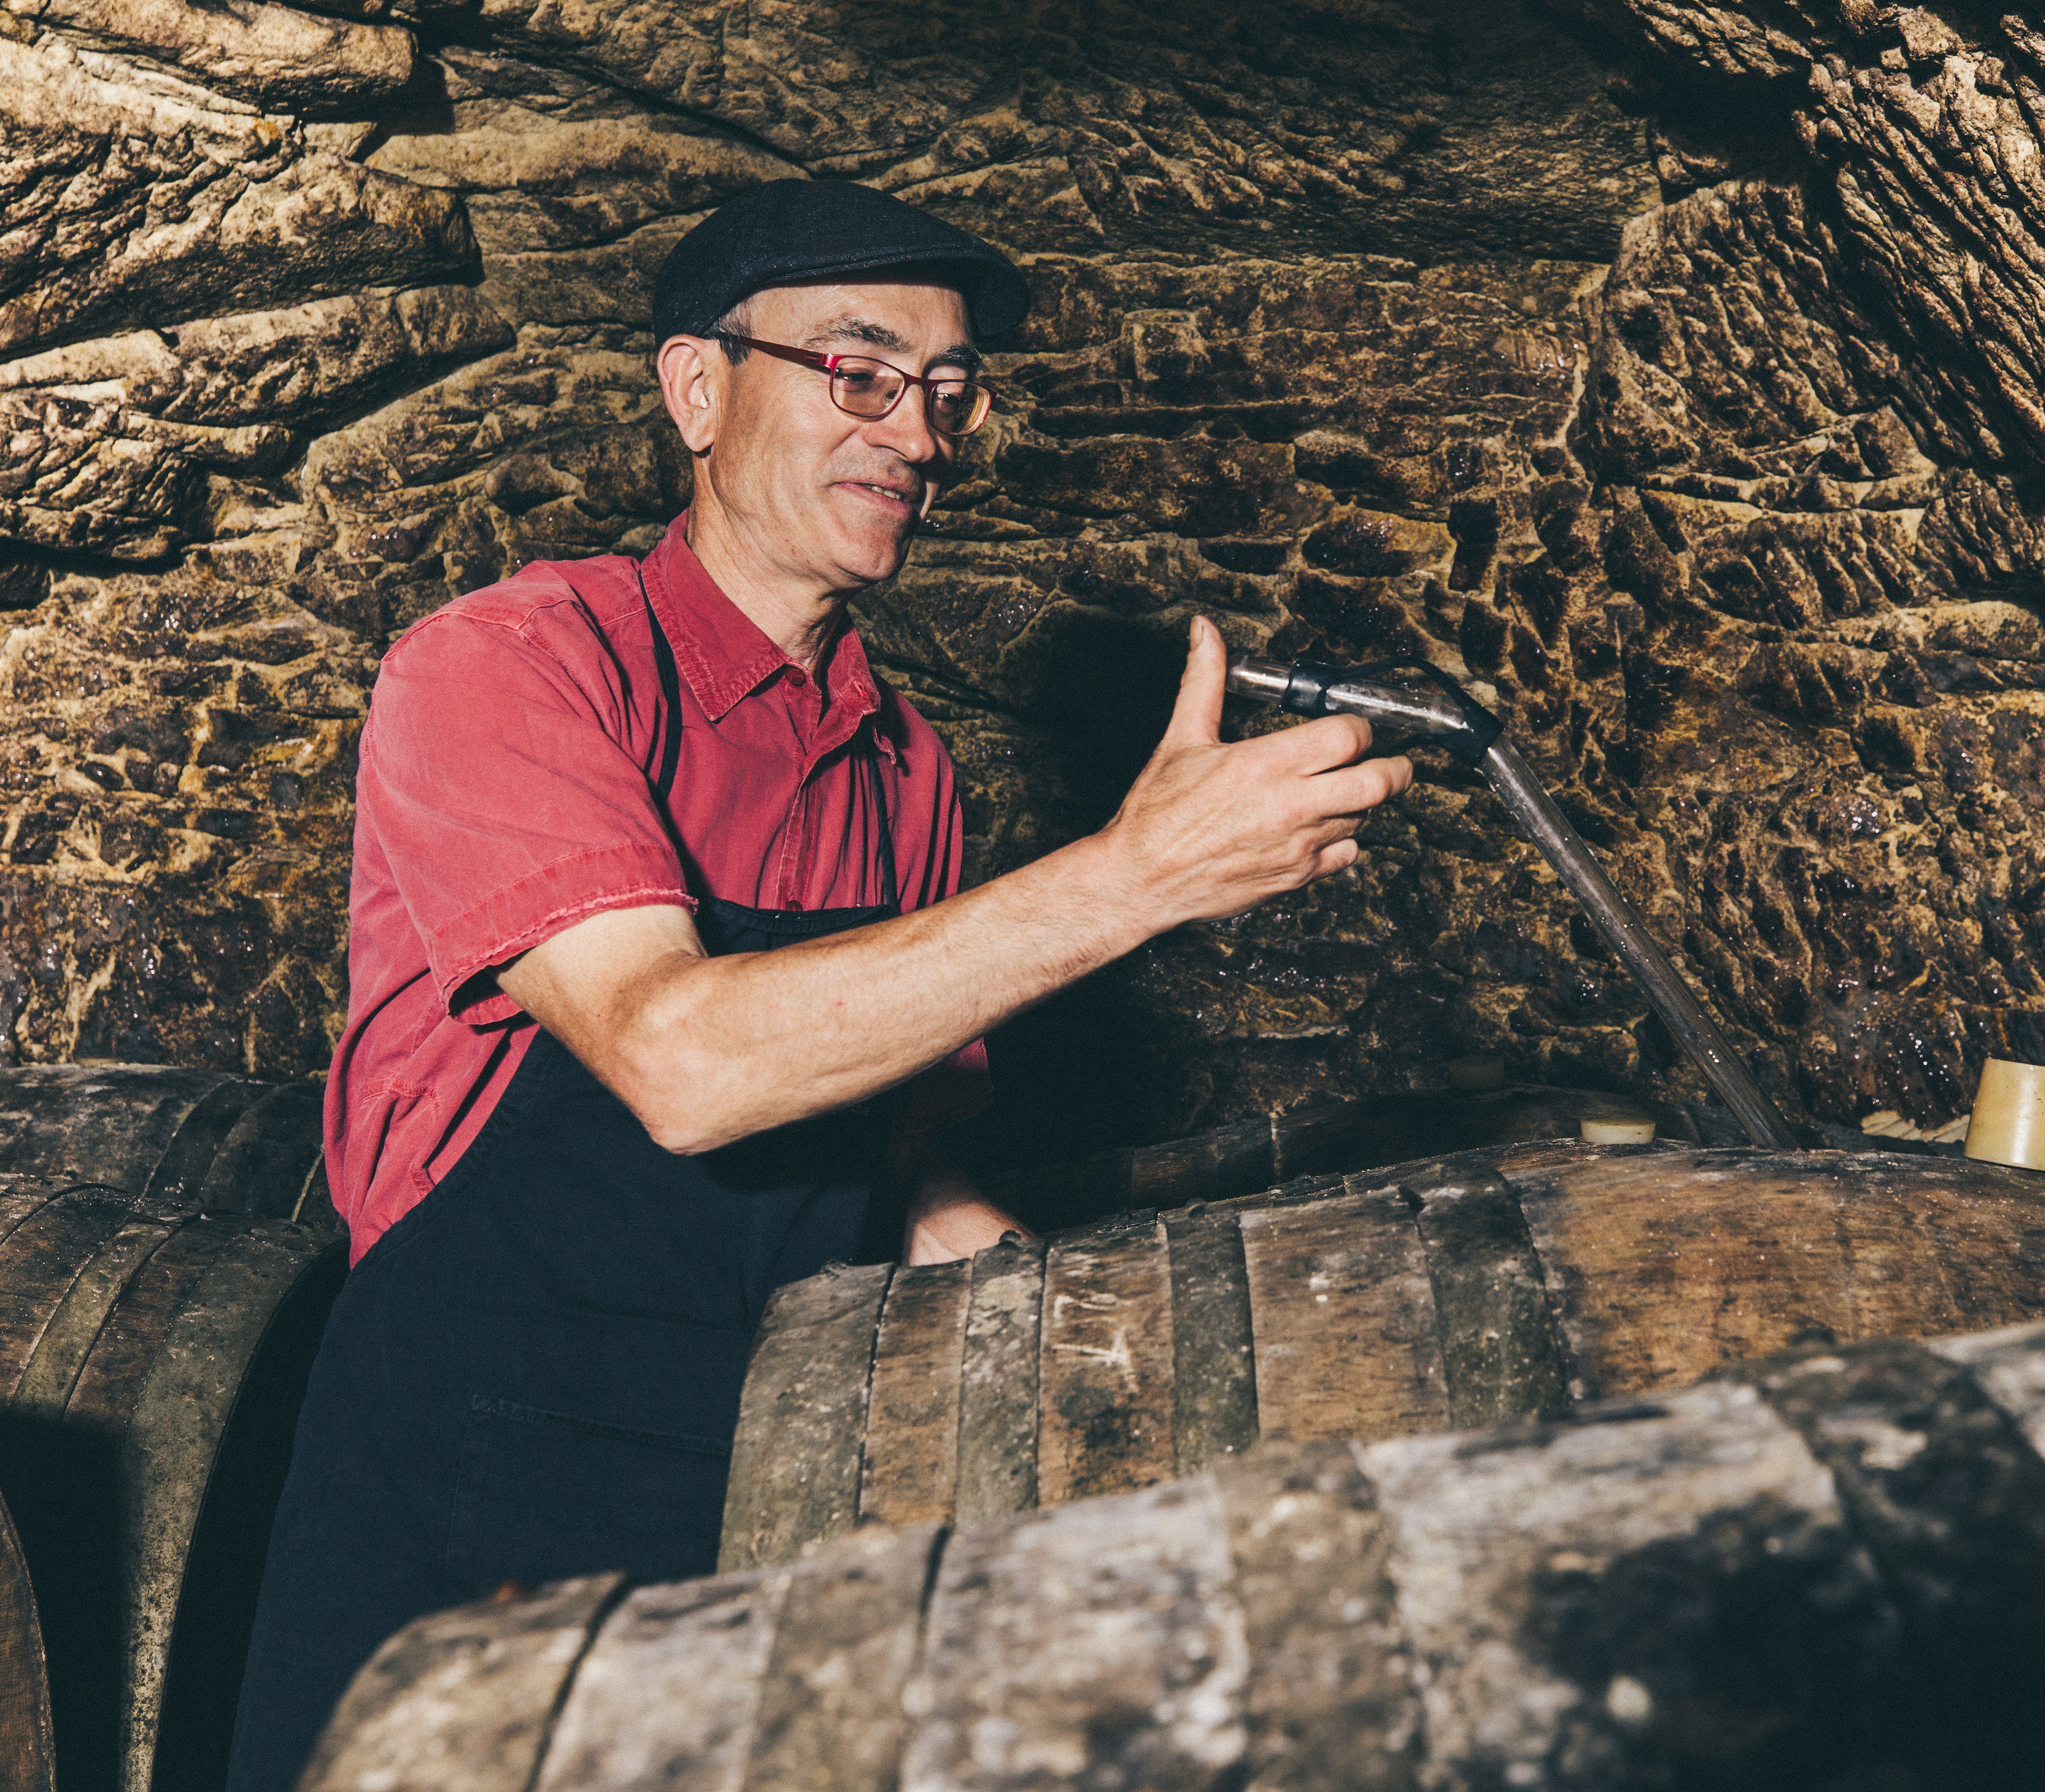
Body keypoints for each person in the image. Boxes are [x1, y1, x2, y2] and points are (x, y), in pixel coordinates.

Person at [222, 179, 1412, 1791]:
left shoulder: (901, 764)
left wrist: (1146, 1374)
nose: (917, 435)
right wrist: (1135, 876)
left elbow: (898, 1167)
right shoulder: (513, 661)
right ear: (697, 390)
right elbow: (679, 1059)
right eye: (860, 372)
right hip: (471, 1453)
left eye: (948, 389)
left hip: (757, 1459)